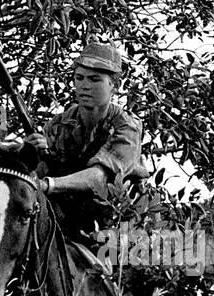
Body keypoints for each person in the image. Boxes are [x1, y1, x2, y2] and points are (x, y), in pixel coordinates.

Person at [24, 42, 144, 251]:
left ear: (114, 85)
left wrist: (47, 184)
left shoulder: (126, 128)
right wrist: (30, 153)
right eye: (79, 78)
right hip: (69, 217)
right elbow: (41, 169)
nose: (84, 86)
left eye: (95, 79)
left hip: (119, 221)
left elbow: (98, 178)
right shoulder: (60, 124)